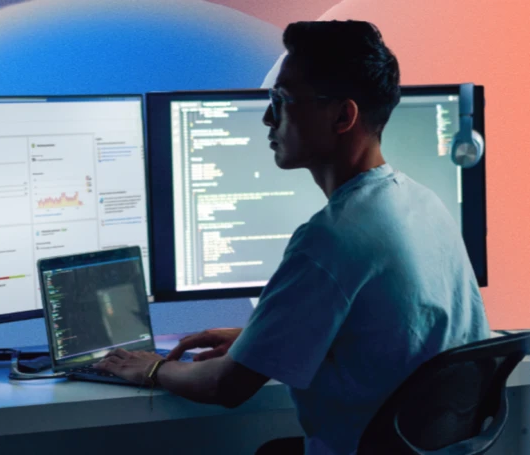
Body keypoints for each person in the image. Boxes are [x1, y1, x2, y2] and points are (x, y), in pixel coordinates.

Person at [94, 20, 490, 454]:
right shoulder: (424, 203)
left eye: (281, 100)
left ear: (343, 116)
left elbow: (225, 386)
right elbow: (390, 333)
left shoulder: (331, 239)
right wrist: (261, 340)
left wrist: (151, 369)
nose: (268, 118)